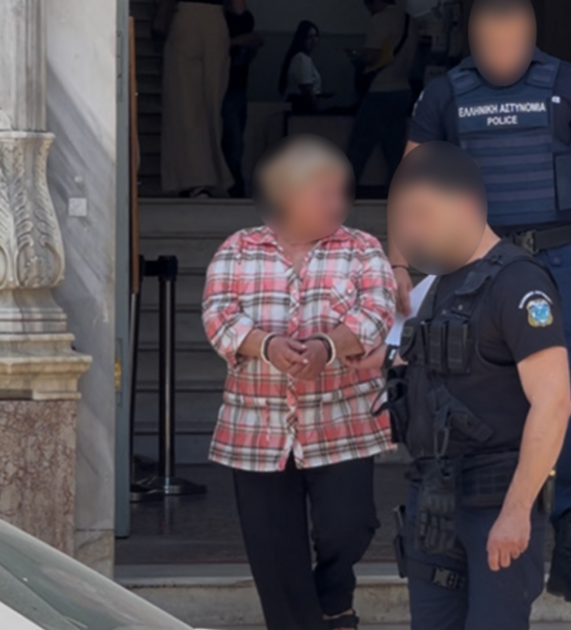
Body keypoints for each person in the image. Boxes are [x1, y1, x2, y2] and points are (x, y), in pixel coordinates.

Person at [393, 0, 571, 604]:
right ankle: (458, 524)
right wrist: (398, 264)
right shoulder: (446, 94)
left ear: (531, 37)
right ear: (473, 40)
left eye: (512, 44)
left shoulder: (567, 84)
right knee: (463, 391)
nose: (501, 56)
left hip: (556, 265)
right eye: (489, 45)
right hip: (473, 269)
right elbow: (411, 181)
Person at [363, 141, 571, 630]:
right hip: (434, 500)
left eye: (422, 215)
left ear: (466, 205)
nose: (411, 232)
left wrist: (516, 511)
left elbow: (555, 402)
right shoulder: (439, 284)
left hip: (494, 500)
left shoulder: (519, 283)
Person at [201, 135, 397, 630]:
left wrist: (326, 347)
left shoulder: (361, 248)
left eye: (341, 192)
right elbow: (218, 316)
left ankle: (333, 591)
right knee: (273, 550)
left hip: (342, 421)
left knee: (350, 525)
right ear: (285, 193)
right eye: (324, 193)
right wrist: (266, 345)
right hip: (257, 428)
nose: (338, 203)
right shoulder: (238, 250)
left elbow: (376, 314)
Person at [155, 0, 235, 197]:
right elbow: (238, 7)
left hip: (186, 16)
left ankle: (193, 178)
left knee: (185, 104)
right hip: (216, 20)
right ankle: (217, 176)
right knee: (212, 107)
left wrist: (161, 18)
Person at [346, 0, 419, 187]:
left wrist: (357, 58)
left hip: (380, 90)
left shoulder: (380, 19)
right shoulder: (409, 21)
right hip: (403, 90)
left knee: (358, 149)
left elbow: (372, 55)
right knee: (394, 151)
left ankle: (343, 195)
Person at [222, 1, 263, 198]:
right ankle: (232, 183)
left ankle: (234, 183)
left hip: (238, 85)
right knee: (233, 140)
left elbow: (255, 41)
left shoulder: (245, 18)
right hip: (227, 86)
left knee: (236, 138)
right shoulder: (221, 17)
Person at [279, 21, 325, 114]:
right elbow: (306, 89)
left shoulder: (301, 58)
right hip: (304, 107)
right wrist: (318, 110)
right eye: (310, 37)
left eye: (315, 36)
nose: (314, 40)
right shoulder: (302, 59)